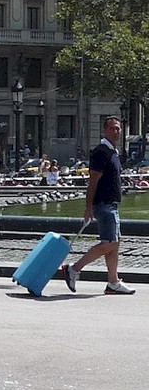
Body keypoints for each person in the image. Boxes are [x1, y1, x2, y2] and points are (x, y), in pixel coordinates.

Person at [64, 116, 135, 295]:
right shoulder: (101, 152)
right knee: (110, 243)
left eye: (118, 128)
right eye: (112, 128)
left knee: (114, 244)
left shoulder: (112, 152)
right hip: (103, 205)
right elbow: (93, 182)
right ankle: (74, 268)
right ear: (104, 131)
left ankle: (113, 282)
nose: (116, 132)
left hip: (111, 204)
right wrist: (88, 207)